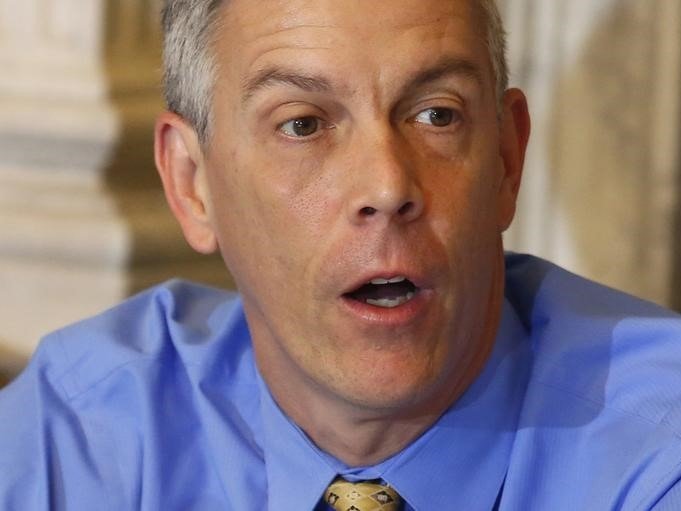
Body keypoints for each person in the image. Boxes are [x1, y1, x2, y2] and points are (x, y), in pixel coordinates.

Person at [1, 0, 680, 509]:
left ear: (506, 160)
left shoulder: (654, 450)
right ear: (191, 183)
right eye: (302, 124)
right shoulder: (81, 430)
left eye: (436, 114)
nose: (386, 186)